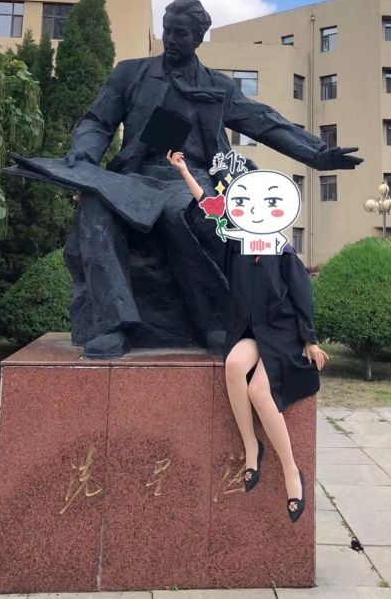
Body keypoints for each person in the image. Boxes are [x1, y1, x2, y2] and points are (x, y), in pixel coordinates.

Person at [56, 0, 362, 359]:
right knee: (95, 208)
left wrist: (317, 153)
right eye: (168, 31)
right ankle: (112, 325)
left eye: (181, 33)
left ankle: (213, 321)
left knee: (186, 214)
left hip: (189, 178)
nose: (171, 39)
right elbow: (97, 121)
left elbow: (265, 122)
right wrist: (84, 153)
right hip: (134, 178)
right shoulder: (130, 73)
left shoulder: (218, 87)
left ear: (198, 37)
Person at [167, 149, 328, 523]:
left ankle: (291, 471)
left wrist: (310, 339)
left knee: (258, 390)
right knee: (234, 365)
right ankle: (252, 447)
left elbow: (302, 294)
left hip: (283, 333)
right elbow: (209, 207)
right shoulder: (236, 243)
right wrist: (184, 171)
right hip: (250, 329)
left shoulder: (283, 250)